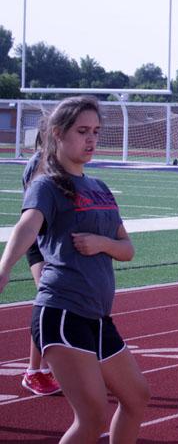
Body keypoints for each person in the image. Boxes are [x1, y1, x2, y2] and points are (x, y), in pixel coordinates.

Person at [0, 96, 150, 443]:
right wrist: (5, 267)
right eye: (82, 131)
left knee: (137, 397)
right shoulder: (47, 185)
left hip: (97, 316)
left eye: (96, 131)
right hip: (62, 310)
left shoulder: (99, 188)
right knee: (93, 415)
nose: (91, 139)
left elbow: (126, 249)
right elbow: (27, 226)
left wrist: (102, 244)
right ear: (57, 134)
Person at [20, 131, 62, 396]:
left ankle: (45, 368)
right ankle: (34, 369)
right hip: (39, 240)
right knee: (48, 299)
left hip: (53, 239)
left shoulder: (56, 161)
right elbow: (36, 205)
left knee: (54, 301)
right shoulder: (40, 163)